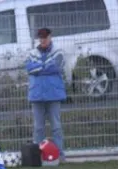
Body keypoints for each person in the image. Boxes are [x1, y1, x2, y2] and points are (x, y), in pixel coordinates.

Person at [25, 27, 67, 161]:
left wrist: (39, 68)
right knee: (38, 128)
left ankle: (60, 155)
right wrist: (45, 67)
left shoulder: (58, 52)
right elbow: (29, 69)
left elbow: (57, 66)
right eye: (40, 37)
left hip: (54, 94)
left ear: (50, 37)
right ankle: (38, 157)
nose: (43, 40)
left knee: (56, 126)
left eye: (45, 37)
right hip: (37, 95)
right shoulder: (32, 53)